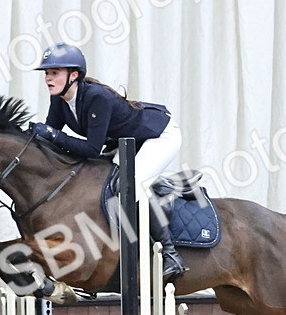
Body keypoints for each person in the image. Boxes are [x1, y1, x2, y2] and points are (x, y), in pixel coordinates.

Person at [31, 42, 188, 281]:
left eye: (54, 73)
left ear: (74, 75)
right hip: (127, 141)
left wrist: (53, 135)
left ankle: (171, 254)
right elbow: (52, 140)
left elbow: (92, 149)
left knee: (131, 186)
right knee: (106, 182)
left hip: (159, 137)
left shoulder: (96, 97)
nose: (48, 79)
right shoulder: (59, 100)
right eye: (47, 73)